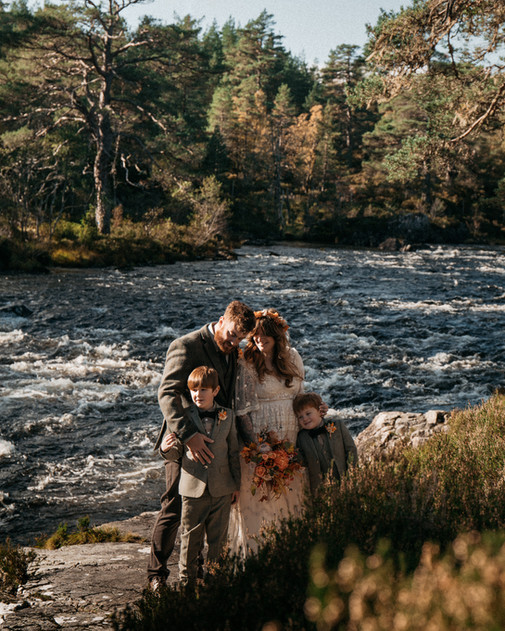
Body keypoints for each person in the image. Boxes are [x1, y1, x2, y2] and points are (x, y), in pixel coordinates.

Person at [147, 300, 255, 590]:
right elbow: (167, 393)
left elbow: (229, 398)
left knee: (208, 507)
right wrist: (187, 435)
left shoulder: (233, 352)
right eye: (231, 334)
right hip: (183, 441)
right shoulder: (186, 345)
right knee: (173, 505)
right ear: (221, 320)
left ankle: (196, 576)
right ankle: (156, 576)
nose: (233, 342)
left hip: (217, 441)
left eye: (239, 339)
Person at [230, 308, 309, 556]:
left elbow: (300, 394)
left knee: (290, 495)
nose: (259, 340)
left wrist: (316, 407)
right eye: (256, 336)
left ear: (277, 336)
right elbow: (241, 410)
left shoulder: (293, 357)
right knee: (263, 498)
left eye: (265, 335)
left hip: (290, 438)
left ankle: (288, 553)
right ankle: (258, 555)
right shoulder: (247, 362)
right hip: (263, 441)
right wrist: (258, 447)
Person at [161, 366, 241, 585]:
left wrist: (236, 486)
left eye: (204, 389)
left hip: (222, 488)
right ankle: (187, 586)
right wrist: (166, 449)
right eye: (194, 390)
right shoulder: (182, 417)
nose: (198, 394)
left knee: (219, 542)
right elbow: (174, 452)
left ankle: (215, 585)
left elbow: (234, 452)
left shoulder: (228, 415)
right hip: (192, 488)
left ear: (215, 391)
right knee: (189, 540)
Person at [294, 392, 358, 496]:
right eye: (300, 417)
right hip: (321, 489)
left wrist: (352, 473)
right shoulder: (301, 437)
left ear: (320, 411)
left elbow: (351, 449)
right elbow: (303, 461)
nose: (304, 419)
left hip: (344, 480)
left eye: (308, 413)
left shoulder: (337, 425)